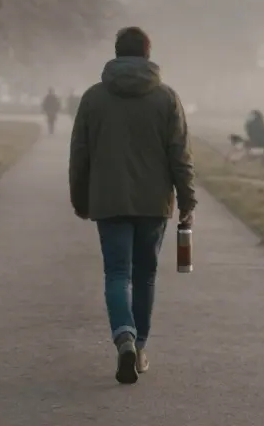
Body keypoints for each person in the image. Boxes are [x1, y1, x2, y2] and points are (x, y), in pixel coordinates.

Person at [69, 26, 196, 385]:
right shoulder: (167, 99)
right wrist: (187, 199)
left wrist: (80, 198)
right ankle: (139, 347)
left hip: (108, 201)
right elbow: (179, 155)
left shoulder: (94, 98)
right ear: (147, 54)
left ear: (116, 53)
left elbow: (80, 155)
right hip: (153, 203)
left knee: (117, 274)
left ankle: (123, 336)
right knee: (144, 276)